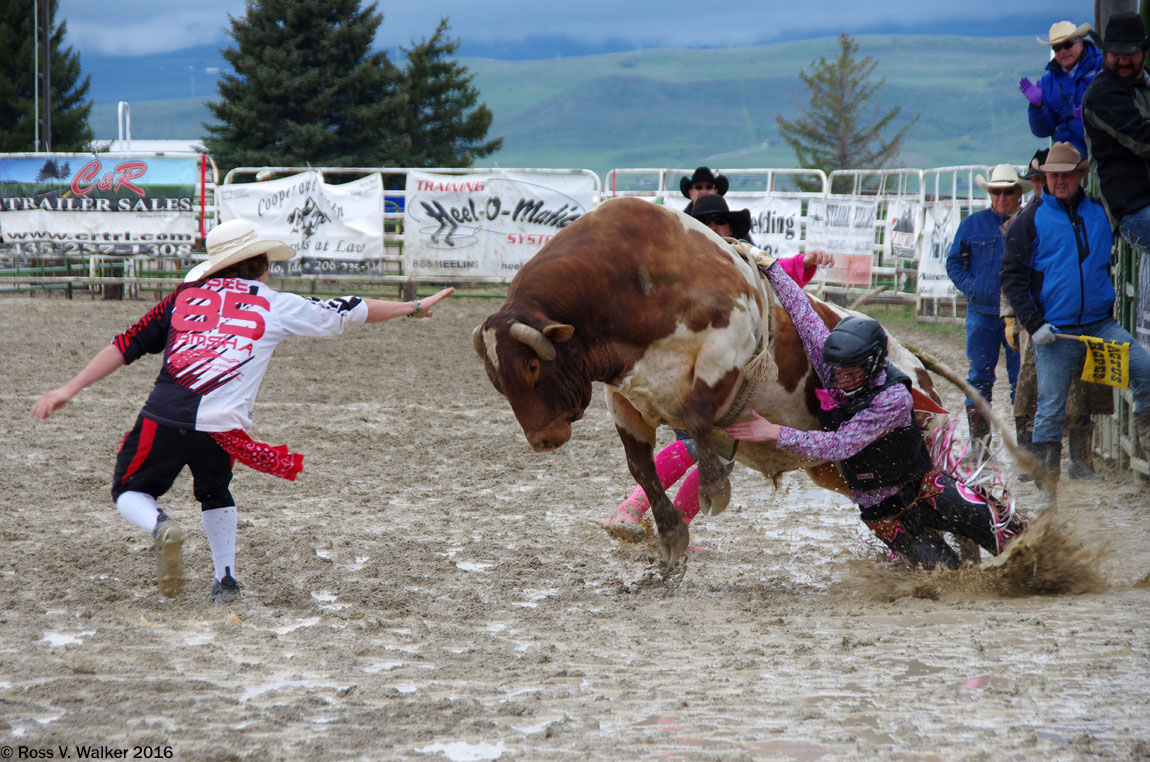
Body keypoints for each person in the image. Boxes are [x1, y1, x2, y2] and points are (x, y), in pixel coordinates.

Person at [31, 219, 455, 601]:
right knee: (215, 492)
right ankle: (226, 578)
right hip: (222, 426)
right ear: (261, 265)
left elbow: (128, 344)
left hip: (165, 415)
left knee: (129, 491)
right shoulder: (275, 303)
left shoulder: (182, 297)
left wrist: (70, 387)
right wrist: (412, 307)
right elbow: (352, 308)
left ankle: (160, 525)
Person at [724, 256, 1028, 570]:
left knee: (1020, 543)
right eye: (837, 369)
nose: (839, 377)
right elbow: (803, 314)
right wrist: (773, 269)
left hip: (926, 492)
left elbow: (839, 445)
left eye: (849, 372)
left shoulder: (893, 398)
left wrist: (775, 433)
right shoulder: (835, 368)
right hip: (885, 514)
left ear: (871, 364)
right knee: (946, 575)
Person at [598, 193, 838, 542]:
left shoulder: (741, 264)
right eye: (705, 221)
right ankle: (633, 509)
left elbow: (775, 275)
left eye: (718, 221)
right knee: (705, 445)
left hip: (717, 382)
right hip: (684, 378)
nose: (713, 227)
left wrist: (805, 261)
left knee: (720, 453)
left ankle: (670, 524)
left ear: (730, 226)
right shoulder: (674, 272)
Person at [1000, 143, 1150, 506]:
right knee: (1049, 406)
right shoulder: (1029, 221)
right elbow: (1012, 277)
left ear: (1081, 176)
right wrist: (1034, 324)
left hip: (1099, 325)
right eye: (1053, 175)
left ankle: (1146, 438)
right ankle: (1046, 493)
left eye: (1066, 174)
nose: (1059, 180)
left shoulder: (1101, 212)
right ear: (1044, 178)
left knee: (1144, 370)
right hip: (1055, 331)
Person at [1005, 148, 1111, 481]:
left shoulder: (1085, 215)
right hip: (1037, 319)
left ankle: (1080, 460)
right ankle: (1031, 459)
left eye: (1045, 179)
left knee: (1082, 388)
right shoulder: (1024, 221)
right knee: (1030, 388)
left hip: (1077, 317)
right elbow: (1011, 276)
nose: (1046, 184)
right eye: (1040, 179)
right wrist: (1011, 316)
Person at [945, 164, 1023, 458]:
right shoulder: (972, 225)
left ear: (1018, 194)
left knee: (1022, 380)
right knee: (979, 376)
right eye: (996, 191)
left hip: (1020, 314)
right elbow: (954, 263)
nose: (1002, 197)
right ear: (989, 193)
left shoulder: (1028, 223)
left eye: (1007, 192)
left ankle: (1027, 447)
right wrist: (973, 287)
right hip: (982, 312)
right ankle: (979, 446)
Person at [1082, 12, 1150, 254]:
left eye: (1129, 53)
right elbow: (1143, 141)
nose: (1122, 61)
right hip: (1135, 210)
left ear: (1143, 51)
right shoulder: (1103, 94)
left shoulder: (1144, 83)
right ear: (1104, 54)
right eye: (1115, 55)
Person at [1019, 20, 1102, 158]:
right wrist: (1037, 107)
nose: (1063, 51)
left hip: (1102, 145)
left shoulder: (1101, 67)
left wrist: (1091, 112)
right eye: (1057, 48)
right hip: (1067, 152)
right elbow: (1043, 131)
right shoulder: (1048, 81)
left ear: (1080, 44)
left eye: (1067, 45)